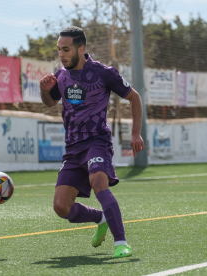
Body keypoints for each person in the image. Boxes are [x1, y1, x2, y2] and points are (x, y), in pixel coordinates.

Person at [39, 26, 144, 258]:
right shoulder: (61, 75)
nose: (61, 54)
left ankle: (121, 243)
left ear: (81, 48)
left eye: (66, 49)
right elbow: (49, 102)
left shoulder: (104, 73)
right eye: (59, 50)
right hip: (73, 149)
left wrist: (135, 133)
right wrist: (44, 90)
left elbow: (134, 97)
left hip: (97, 142)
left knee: (98, 181)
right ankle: (101, 218)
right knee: (61, 207)